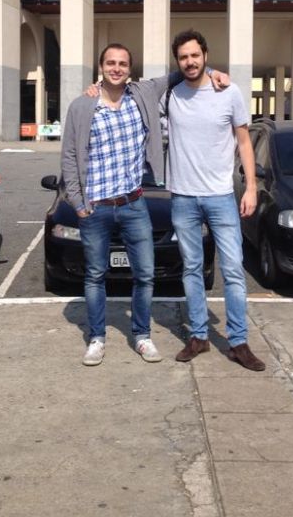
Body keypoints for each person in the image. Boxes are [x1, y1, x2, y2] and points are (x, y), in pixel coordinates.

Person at [62, 43, 227, 366]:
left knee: (145, 274)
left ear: (130, 69)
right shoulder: (83, 106)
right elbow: (69, 155)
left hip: (134, 203)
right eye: (110, 63)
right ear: (101, 67)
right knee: (95, 275)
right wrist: (77, 202)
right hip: (95, 206)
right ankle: (97, 338)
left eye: (123, 63)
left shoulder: (142, 94)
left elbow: (182, 72)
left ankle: (141, 335)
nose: (116, 68)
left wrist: (213, 71)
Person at [166, 30, 266, 372]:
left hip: (221, 196)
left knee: (234, 270)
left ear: (205, 54)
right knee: (192, 269)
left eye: (195, 55)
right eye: (183, 57)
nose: (190, 62)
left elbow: (244, 143)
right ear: (177, 62)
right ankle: (198, 335)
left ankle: (238, 342)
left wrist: (250, 187)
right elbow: (131, 88)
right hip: (182, 197)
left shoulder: (230, 92)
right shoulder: (172, 94)